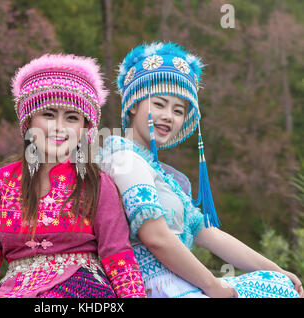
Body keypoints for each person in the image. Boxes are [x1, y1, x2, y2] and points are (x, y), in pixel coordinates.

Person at [99, 41, 303, 298]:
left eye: (178, 110)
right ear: (133, 104)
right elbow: (155, 237)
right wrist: (213, 286)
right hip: (155, 286)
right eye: (159, 104)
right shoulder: (123, 158)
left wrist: (279, 271)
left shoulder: (155, 170)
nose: (169, 117)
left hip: (179, 282)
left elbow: (207, 234)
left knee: (276, 285)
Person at [0, 53, 147, 298]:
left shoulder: (97, 184)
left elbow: (118, 255)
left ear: (85, 129)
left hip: (82, 286)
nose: (59, 126)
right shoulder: (1, 181)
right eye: (48, 114)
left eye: (71, 117)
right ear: (28, 121)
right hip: (16, 288)